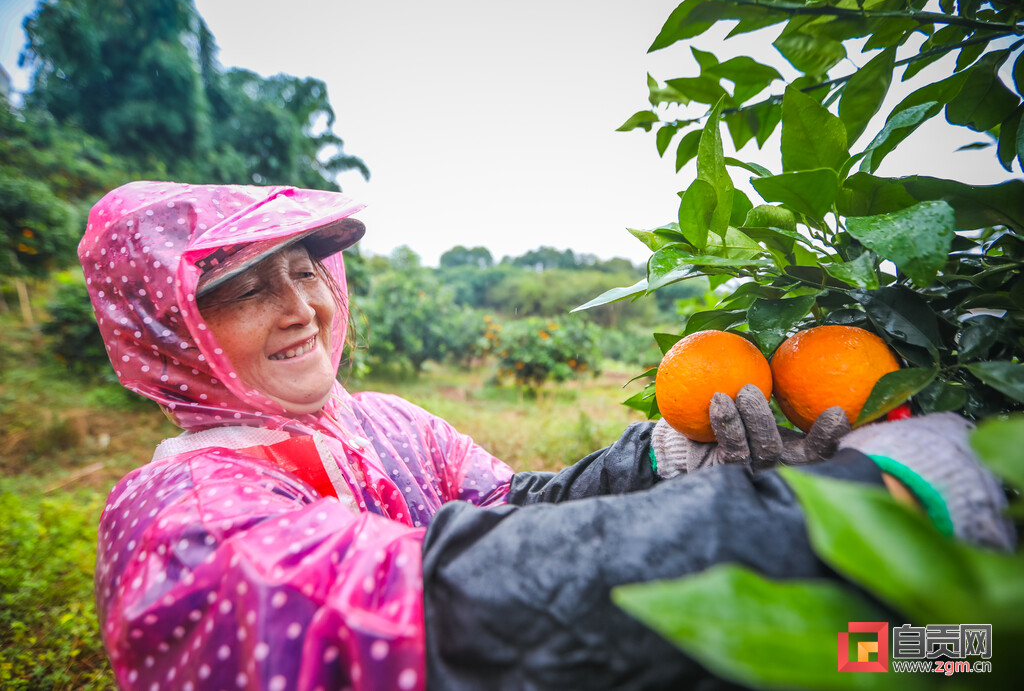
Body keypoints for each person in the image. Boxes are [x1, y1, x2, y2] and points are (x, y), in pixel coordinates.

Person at [84, 181, 1014, 691]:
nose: (302, 306)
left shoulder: (381, 422)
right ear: (168, 328)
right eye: (246, 287)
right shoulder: (184, 523)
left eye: (305, 269)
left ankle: (969, 647)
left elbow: (511, 509)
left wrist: (664, 459)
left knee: (931, 649)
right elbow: (457, 606)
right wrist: (860, 502)